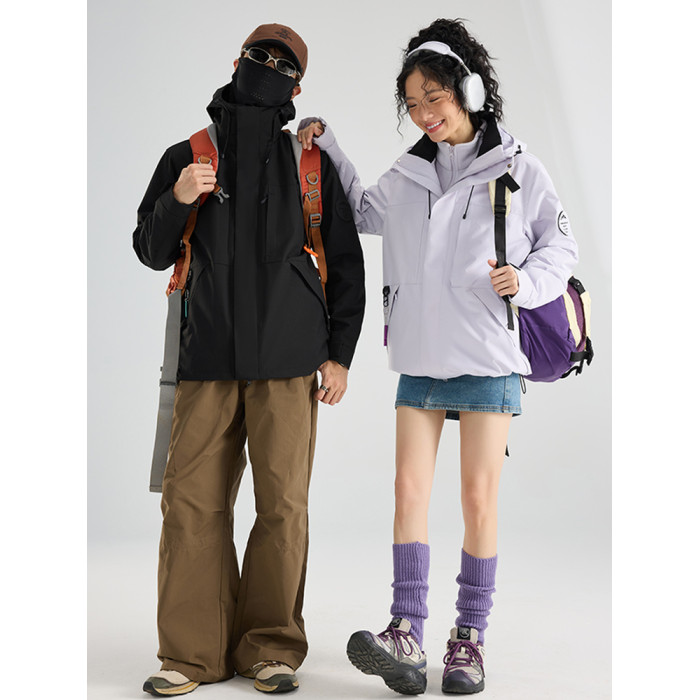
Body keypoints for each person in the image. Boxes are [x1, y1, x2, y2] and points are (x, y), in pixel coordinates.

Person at [298, 17, 578, 696]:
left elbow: (560, 247)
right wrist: (328, 145)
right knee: (408, 490)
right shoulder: (409, 173)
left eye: (435, 97)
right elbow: (362, 211)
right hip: (422, 355)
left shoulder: (517, 168)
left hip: (488, 354)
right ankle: (405, 630)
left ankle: (468, 639)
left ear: (470, 90)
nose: (425, 113)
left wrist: (525, 282)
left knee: (478, 496)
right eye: (414, 102)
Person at [133, 23, 365, 696]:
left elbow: (345, 262)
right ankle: (191, 656)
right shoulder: (187, 156)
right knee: (190, 505)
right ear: (237, 61)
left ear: (297, 88)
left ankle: (270, 648)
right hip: (206, 358)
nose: (269, 68)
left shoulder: (309, 164)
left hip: (290, 363)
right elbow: (149, 250)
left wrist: (340, 356)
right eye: (260, 56)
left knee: (283, 506)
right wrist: (179, 198)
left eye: (284, 66)